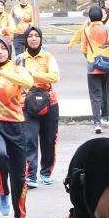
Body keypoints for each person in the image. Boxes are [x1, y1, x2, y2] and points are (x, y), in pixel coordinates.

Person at [0, 35, 37, 218]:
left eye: (3, 48)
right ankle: (2, 192)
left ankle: (20, 216)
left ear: (9, 51)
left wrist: (4, 75)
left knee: (19, 177)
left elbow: (28, 83)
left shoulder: (17, 69)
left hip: (17, 127)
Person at [70, 6, 109, 133]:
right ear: (102, 17)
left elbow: (83, 48)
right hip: (107, 65)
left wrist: (90, 58)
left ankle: (97, 122)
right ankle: (105, 117)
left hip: (92, 66)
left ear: (90, 17)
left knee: (95, 95)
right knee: (105, 92)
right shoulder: (107, 28)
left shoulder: (86, 30)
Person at [23, 25, 61, 185]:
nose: (33, 38)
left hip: (49, 102)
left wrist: (32, 75)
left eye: (36, 36)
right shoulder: (20, 59)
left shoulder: (48, 57)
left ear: (40, 38)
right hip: (26, 102)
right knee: (29, 138)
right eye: (30, 36)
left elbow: (54, 76)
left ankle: (46, 172)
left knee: (49, 139)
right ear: (25, 39)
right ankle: (30, 175)